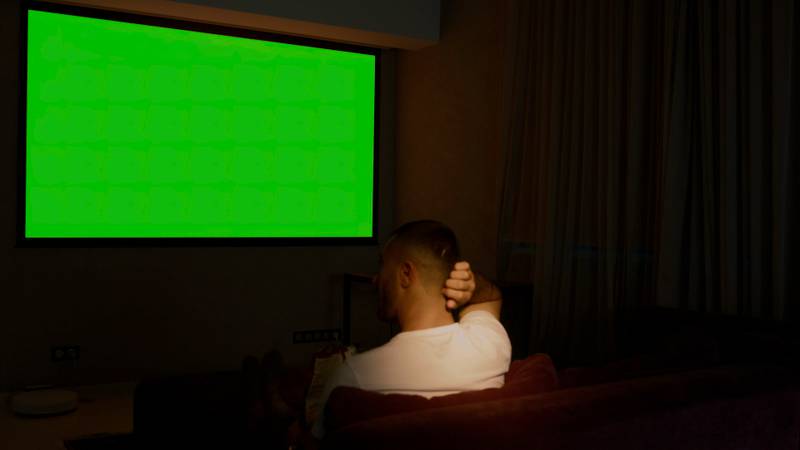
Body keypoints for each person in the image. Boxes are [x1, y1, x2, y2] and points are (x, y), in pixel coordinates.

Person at [296, 220, 511, 448]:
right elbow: (492, 295)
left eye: (382, 265)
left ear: (406, 274)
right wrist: (471, 282)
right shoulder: (489, 345)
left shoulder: (354, 376)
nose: (375, 279)